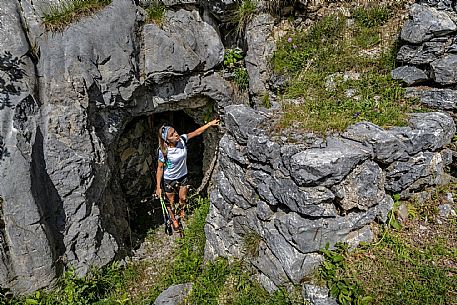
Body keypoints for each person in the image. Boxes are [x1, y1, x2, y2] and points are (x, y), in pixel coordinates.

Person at [155, 119, 219, 230]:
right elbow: (160, 168)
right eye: (172, 135)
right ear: (167, 139)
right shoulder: (163, 151)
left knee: (183, 198)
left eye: (175, 131)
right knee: (170, 202)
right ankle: (174, 219)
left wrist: (209, 124)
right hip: (169, 179)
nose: (176, 134)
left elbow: (196, 132)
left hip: (183, 175)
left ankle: (182, 211)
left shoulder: (182, 140)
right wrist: (158, 187)